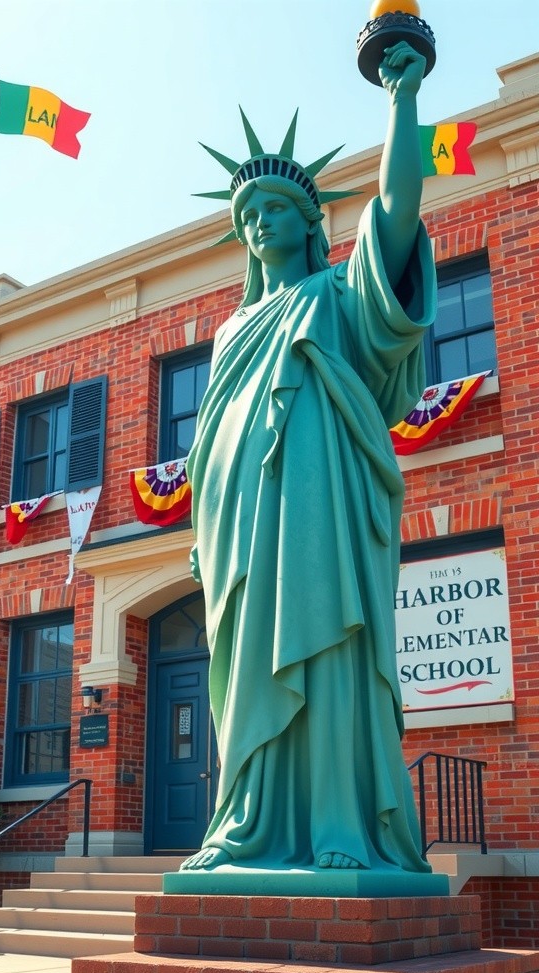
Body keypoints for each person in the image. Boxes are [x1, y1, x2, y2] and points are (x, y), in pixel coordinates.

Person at [182, 41, 436, 873]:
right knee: (248, 669)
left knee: (326, 648)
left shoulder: (336, 296)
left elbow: (396, 214)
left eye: (275, 209)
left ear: (310, 221)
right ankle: (248, 825)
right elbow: (213, 437)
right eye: (246, 215)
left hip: (318, 508)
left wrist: (401, 100)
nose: (258, 224)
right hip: (239, 534)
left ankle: (337, 825)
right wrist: (200, 526)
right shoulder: (225, 335)